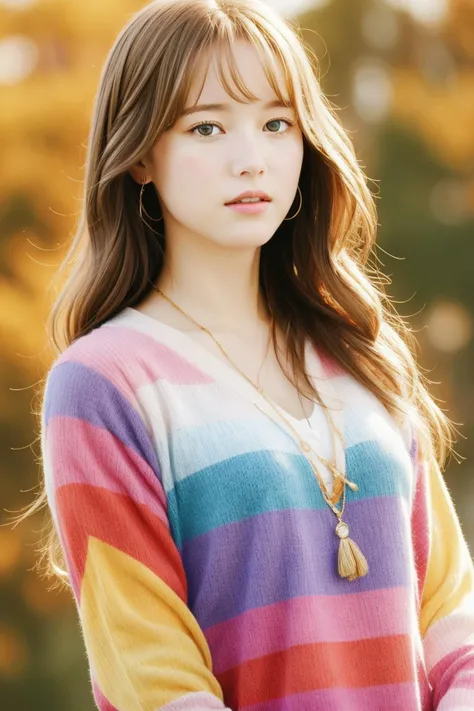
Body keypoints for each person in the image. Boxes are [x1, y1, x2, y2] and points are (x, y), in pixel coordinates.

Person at [18, 0, 474, 709]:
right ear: (139, 154)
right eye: (207, 127)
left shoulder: (361, 348)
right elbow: (153, 674)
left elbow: (451, 603)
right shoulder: (104, 382)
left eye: (275, 124)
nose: (250, 158)